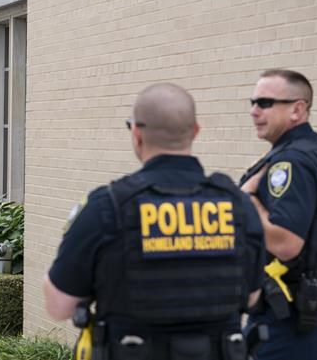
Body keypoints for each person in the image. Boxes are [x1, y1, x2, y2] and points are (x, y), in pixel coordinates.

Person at [44, 83, 265, 360]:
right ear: (195, 131)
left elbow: (59, 306)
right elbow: (252, 297)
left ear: (136, 133)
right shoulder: (238, 205)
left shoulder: (108, 205)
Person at [240, 69, 317, 360]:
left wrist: (248, 200)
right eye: (253, 102)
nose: (254, 111)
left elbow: (286, 244)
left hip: (289, 322)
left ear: (297, 109)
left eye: (265, 103)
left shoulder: (291, 162)